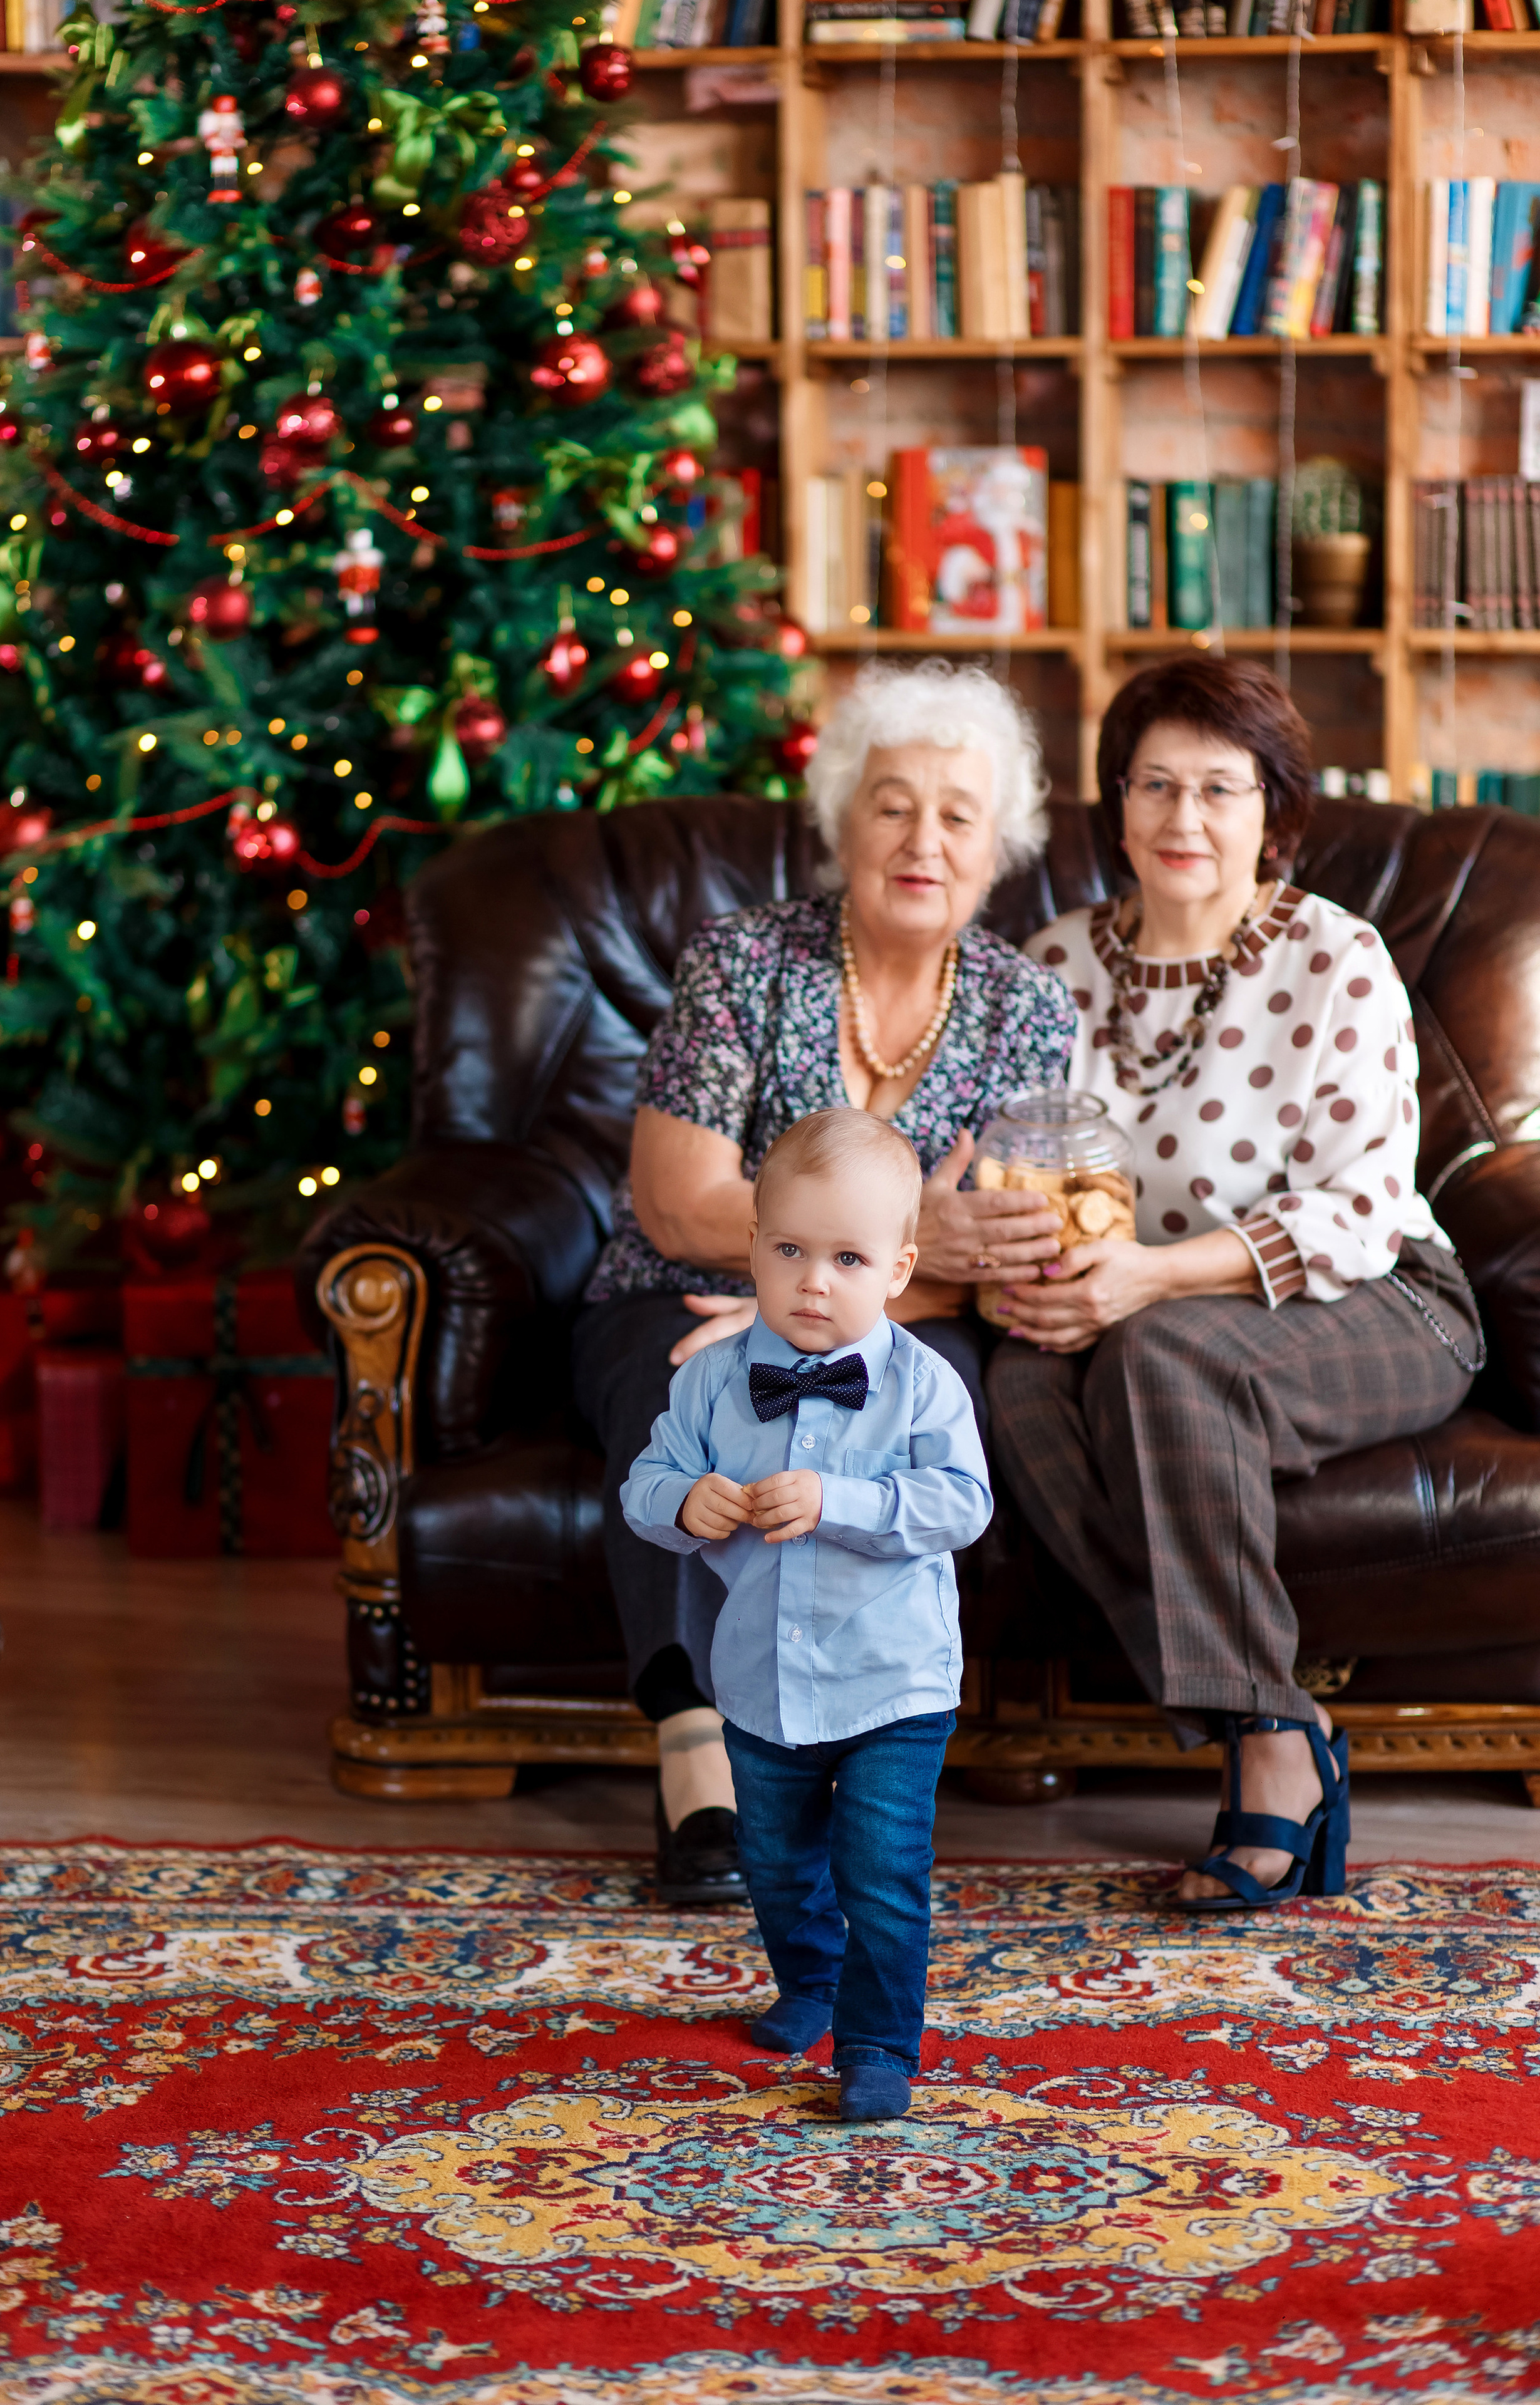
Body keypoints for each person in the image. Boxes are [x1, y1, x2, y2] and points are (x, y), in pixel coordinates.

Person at [572, 659, 1076, 1907]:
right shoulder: (742, 962)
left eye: (957, 814)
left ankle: (851, 1744)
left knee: (901, 1402)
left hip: (912, 1319)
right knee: (690, 1372)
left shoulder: (1028, 1012)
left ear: (997, 846)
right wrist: (829, 1263)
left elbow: (997, 1253)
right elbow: (679, 1202)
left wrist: (827, 1296)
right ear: (841, 819)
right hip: (682, 1286)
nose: (922, 839)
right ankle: (697, 1753)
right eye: (891, 803)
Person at [984, 655, 1483, 1911]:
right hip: (1142, 1307)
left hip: (1375, 1297)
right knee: (1020, 1382)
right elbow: (1027, 1166)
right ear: (1113, 802)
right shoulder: (1052, 967)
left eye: (1219, 788)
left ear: (1274, 809)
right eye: (1153, 786)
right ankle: (1272, 1716)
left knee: (1165, 1354)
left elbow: (1360, 1204)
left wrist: (1148, 1278)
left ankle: (1266, 1755)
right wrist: (1033, 1265)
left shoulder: (1335, 957)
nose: (1182, 820)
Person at [623, 1110, 991, 2121]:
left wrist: (848, 1503)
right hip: (761, 1681)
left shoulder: (923, 1386)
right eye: (789, 1250)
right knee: (775, 1863)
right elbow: (645, 1484)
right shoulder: (710, 1380)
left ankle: (878, 2043)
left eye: (848, 1258)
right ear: (753, 1250)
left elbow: (963, 1504)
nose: (815, 1281)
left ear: (899, 1270)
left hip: (893, 1681)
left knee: (881, 1871)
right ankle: (810, 1983)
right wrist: (681, 1502)